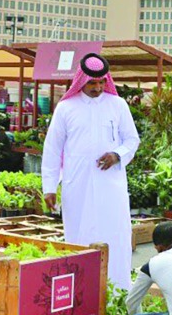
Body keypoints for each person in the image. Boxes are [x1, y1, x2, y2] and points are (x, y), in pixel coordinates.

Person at [41, 53, 140, 288]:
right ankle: (80, 289)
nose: (97, 88)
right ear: (81, 81)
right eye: (92, 83)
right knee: (79, 235)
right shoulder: (66, 108)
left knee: (115, 235)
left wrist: (117, 155)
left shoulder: (118, 105)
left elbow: (132, 140)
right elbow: (52, 149)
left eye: (101, 82)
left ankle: (117, 290)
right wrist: (49, 187)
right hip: (78, 185)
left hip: (111, 185)